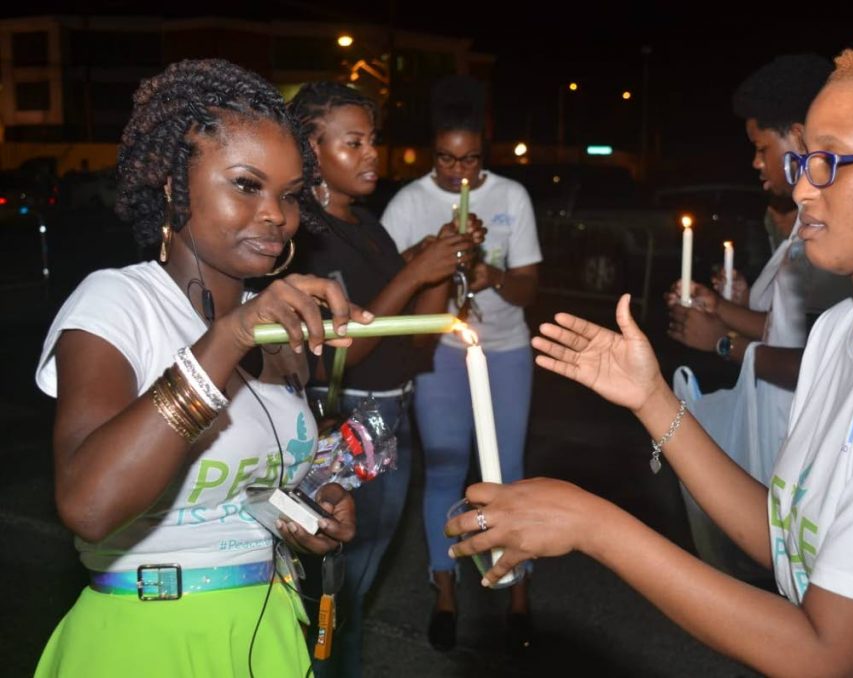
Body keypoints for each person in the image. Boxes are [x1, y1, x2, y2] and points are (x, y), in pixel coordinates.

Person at [449, 37, 853, 676]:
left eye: (830, 162)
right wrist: (652, 398)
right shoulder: (840, 329)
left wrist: (593, 524)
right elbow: (784, 536)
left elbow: (824, 653)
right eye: (803, 160)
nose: (802, 188)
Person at [33, 59, 368, 677]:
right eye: (246, 184)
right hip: (148, 638)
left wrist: (309, 506)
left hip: (266, 630)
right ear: (172, 183)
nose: (275, 214)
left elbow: (241, 490)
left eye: (289, 196)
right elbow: (88, 502)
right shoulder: (116, 302)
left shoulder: (269, 323)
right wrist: (228, 338)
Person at [287, 81, 480, 677]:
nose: (372, 155)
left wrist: (445, 264)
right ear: (311, 149)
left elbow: (417, 335)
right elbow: (336, 353)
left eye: (373, 141)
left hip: (390, 412)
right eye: (354, 143)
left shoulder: (367, 225)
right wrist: (415, 270)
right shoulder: (304, 236)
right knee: (331, 585)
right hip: (346, 413)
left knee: (357, 581)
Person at [666, 55, 850, 579]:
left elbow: (820, 358)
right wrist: (722, 309)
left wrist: (721, 343)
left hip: (804, 430)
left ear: (796, 137)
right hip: (780, 424)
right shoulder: (802, 227)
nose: (755, 163)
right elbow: (787, 326)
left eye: (760, 148)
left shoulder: (833, 236)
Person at [381, 76, 542, 652]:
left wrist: (487, 274)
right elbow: (384, 279)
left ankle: (518, 593)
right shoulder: (410, 202)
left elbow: (527, 289)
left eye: (470, 159)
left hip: (505, 349)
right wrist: (434, 250)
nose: (459, 172)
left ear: (484, 153)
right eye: (446, 160)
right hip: (441, 352)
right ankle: (445, 591)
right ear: (432, 155)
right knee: (446, 469)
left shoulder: (511, 198)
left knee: (506, 472)